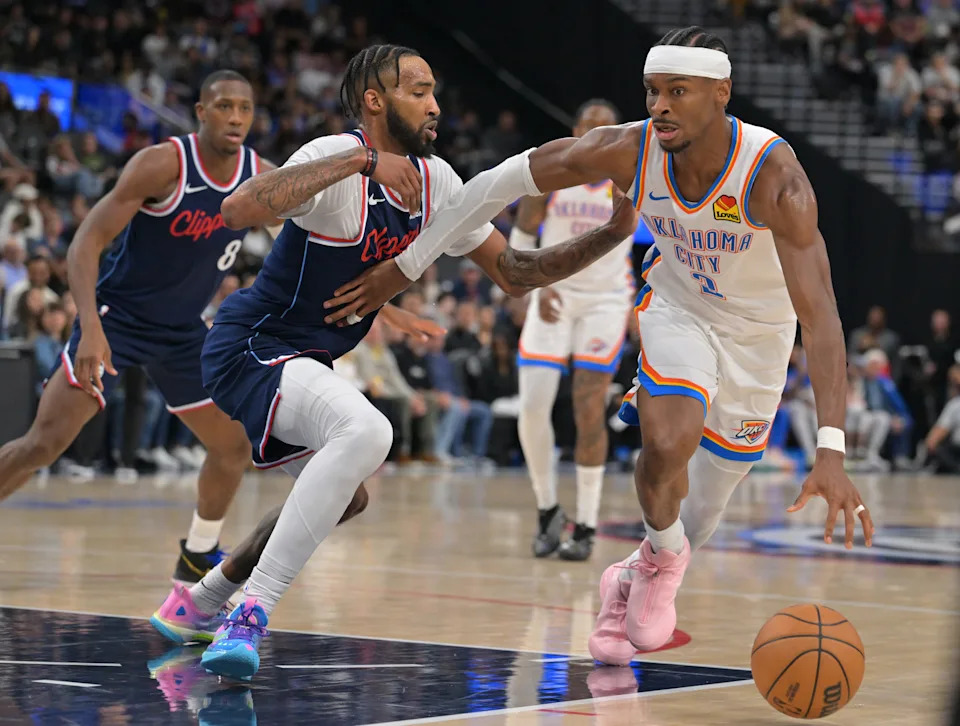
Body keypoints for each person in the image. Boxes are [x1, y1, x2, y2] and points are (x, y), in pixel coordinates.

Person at [324, 28, 876, 666]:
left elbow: (824, 317)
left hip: (761, 333)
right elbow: (494, 185)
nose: (660, 105)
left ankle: (634, 575)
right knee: (667, 442)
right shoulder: (628, 150)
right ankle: (656, 556)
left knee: (700, 517)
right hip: (679, 308)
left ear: (722, 94)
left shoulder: (774, 180)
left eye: (678, 92)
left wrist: (830, 449)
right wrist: (408, 266)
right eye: (651, 92)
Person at [148, 44, 639, 681]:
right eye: (417, 90)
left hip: (309, 361)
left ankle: (200, 598)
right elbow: (237, 209)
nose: (435, 104)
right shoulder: (333, 157)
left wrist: (610, 234)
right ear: (374, 102)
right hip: (251, 346)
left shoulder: (440, 184)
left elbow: (516, 274)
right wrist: (361, 159)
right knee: (370, 431)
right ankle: (250, 612)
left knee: (344, 497)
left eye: (434, 91)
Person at [0, 72, 403, 584]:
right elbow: (86, 242)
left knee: (231, 445)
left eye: (245, 109)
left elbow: (319, 247)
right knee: (43, 444)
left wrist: (384, 297)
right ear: (200, 112)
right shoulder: (163, 164)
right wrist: (89, 327)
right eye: (224, 107)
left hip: (182, 333)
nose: (236, 117)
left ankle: (197, 553)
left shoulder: (260, 176)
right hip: (116, 319)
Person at [510, 99, 634, 562]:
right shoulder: (551, 173)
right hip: (553, 296)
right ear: (577, 129)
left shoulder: (630, 179)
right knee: (533, 408)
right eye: (590, 125)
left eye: (608, 126)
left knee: (589, 406)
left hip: (605, 301)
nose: (599, 132)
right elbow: (521, 239)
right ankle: (547, 510)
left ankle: (585, 523)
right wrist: (531, 287)